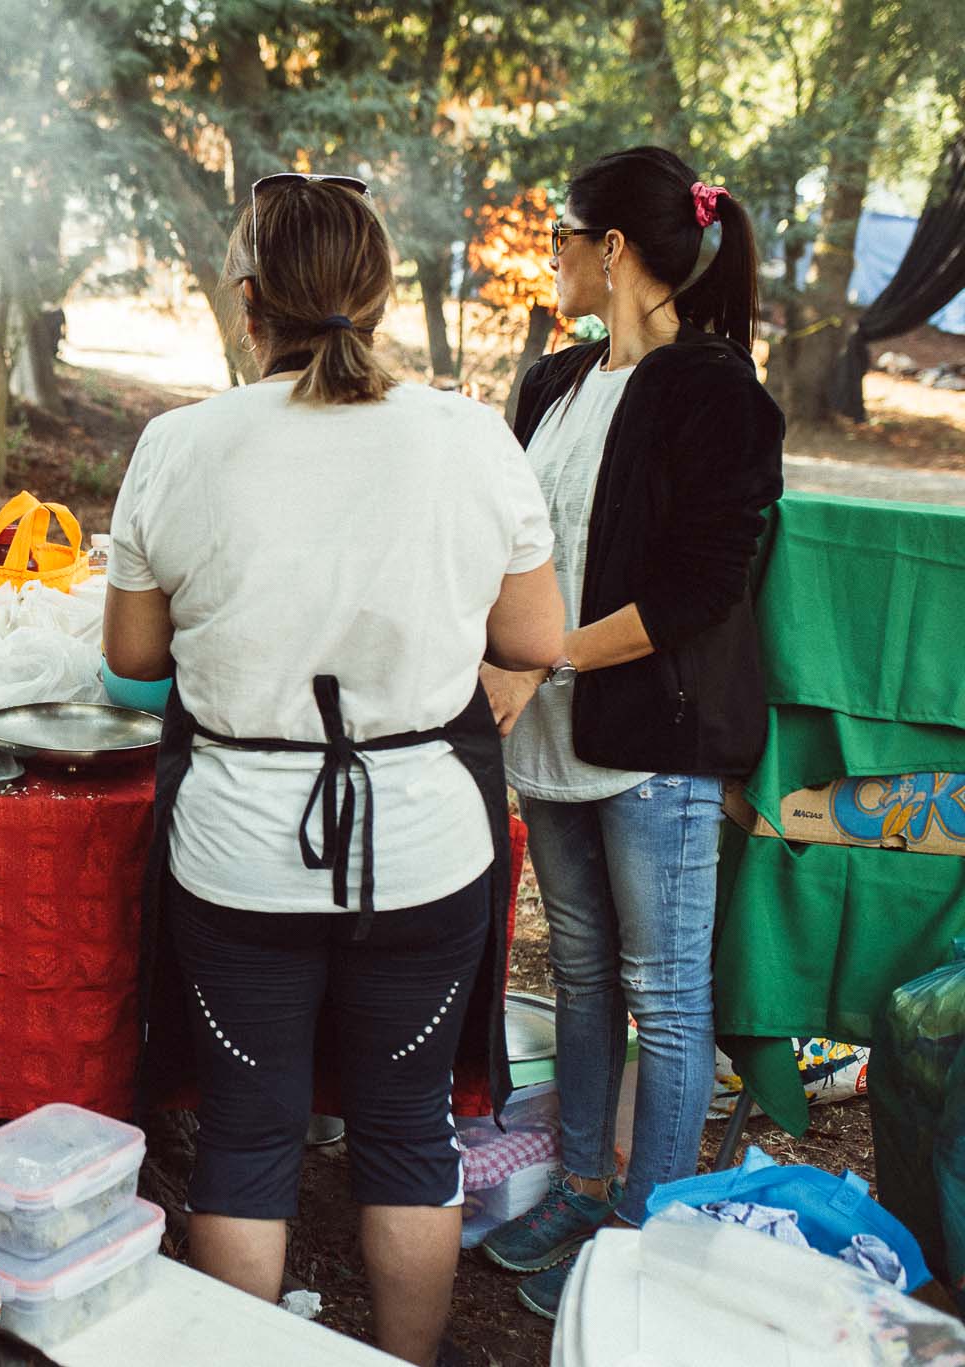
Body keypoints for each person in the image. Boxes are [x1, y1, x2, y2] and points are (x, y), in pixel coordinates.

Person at [104, 176, 564, 1366]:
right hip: (422, 848)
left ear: (247, 302)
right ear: (379, 297)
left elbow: (131, 657)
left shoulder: (178, 443)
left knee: (247, 1141)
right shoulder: (469, 437)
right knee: (407, 1131)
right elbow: (531, 639)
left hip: (237, 850)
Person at [477, 147, 783, 1320]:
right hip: (550, 735)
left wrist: (539, 657)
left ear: (610, 250)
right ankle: (582, 1182)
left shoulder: (714, 390)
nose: (547, 252)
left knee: (664, 989)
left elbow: (703, 585)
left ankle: (645, 1231)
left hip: (652, 741)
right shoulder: (554, 381)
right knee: (585, 971)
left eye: (561, 232)